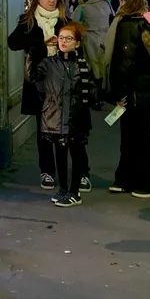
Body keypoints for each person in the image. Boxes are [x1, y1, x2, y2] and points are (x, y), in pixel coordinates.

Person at [104, 0, 150, 198]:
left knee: (136, 138)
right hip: (145, 89)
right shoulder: (145, 22)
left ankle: (147, 182)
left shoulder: (125, 24)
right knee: (136, 137)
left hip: (132, 90)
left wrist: (116, 93)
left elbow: (123, 63)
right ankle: (127, 179)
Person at [8, 0, 69, 190]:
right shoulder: (28, 21)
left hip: (61, 82)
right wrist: (41, 45)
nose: (52, 0)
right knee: (43, 129)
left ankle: (63, 170)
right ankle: (47, 171)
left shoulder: (64, 21)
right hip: (37, 82)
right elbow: (13, 43)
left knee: (62, 129)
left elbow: (77, 47)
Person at [33, 22, 97, 207]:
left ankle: (74, 192)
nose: (63, 42)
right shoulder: (49, 63)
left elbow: (92, 89)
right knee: (59, 155)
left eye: (68, 38)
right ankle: (63, 190)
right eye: (61, 38)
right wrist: (39, 48)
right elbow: (32, 76)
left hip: (77, 118)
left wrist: (110, 99)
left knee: (76, 155)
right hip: (55, 117)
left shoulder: (82, 65)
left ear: (77, 43)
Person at [73, 0, 114, 97]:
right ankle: (103, 88)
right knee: (103, 63)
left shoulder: (83, 7)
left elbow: (73, 22)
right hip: (105, 37)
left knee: (92, 64)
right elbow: (113, 17)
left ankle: (95, 90)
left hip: (89, 38)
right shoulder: (106, 4)